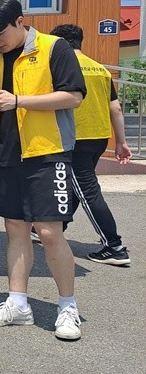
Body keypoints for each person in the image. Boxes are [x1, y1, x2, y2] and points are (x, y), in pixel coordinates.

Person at [0, 0, 86, 341]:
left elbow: (74, 96)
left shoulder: (54, 47)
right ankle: (17, 303)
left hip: (47, 152)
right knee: (15, 229)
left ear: (21, 21)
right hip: (5, 152)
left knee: (50, 232)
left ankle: (68, 307)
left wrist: (17, 100)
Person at [47, 23, 132, 266]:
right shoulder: (100, 69)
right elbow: (115, 108)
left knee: (87, 190)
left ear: (60, 44)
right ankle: (55, 227)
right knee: (75, 186)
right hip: (99, 137)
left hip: (76, 137)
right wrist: (121, 142)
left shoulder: (60, 67)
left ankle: (114, 246)